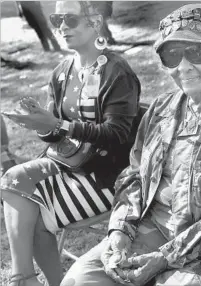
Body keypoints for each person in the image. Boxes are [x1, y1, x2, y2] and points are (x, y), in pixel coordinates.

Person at [61, 3, 201, 286]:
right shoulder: (160, 110)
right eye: (172, 56)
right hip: (154, 230)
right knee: (79, 280)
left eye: (196, 52)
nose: (184, 66)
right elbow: (134, 178)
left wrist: (165, 258)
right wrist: (120, 232)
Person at [0, 1, 140, 286]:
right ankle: (23, 277)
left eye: (71, 20)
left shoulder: (117, 73)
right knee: (11, 180)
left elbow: (117, 135)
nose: (62, 26)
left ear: (95, 22)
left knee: (37, 217)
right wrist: (42, 125)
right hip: (69, 165)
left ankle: (38, 281)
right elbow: (54, 132)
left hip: (109, 176)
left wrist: (59, 125)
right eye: (56, 19)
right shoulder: (62, 71)